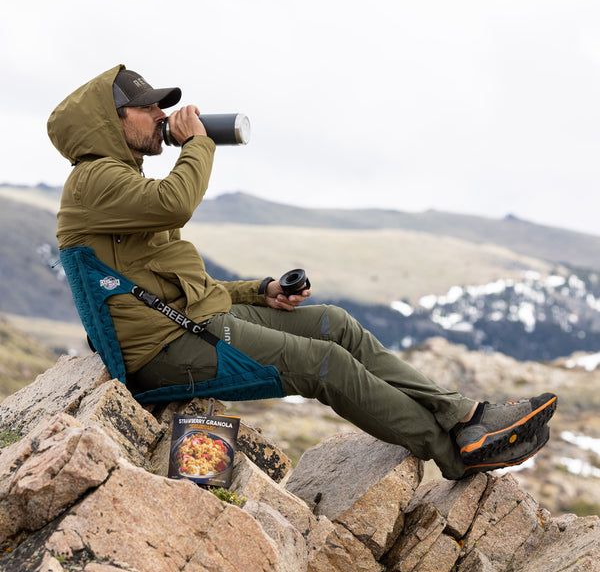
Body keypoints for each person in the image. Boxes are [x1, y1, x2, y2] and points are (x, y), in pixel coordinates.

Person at [47, 65, 557, 480]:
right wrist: (198, 142)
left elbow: (172, 286)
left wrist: (260, 290)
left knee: (332, 323)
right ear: (113, 120)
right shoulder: (95, 179)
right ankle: (458, 453)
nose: (162, 115)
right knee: (322, 363)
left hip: (187, 321)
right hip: (166, 347)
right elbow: (176, 202)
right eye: (149, 107)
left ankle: (465, 416)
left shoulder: (118, 184)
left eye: (163, 106)